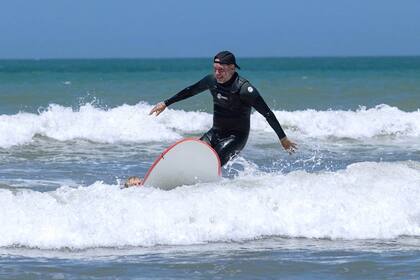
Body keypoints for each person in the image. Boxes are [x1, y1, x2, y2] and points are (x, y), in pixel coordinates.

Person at [124, 51, 297, 187]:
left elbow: (267, 113)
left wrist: (283, 138)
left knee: (207, 168)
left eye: (221, 70)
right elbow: (190, 90)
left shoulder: (245, 90)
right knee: (191, 158)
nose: (217, 73)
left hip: (235, 138)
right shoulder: (212, 81)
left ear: (232, 68)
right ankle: (156, 186)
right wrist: (166, 103)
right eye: (215, 69)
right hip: (214, 132)